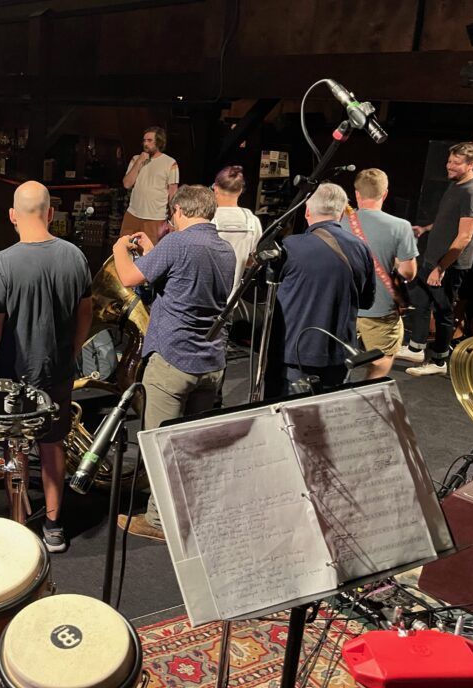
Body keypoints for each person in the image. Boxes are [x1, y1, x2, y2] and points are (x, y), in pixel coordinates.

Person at [111, 185, 235, 541]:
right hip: (210, 363)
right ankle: (188, 513)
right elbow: (181, 283)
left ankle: (158, 521)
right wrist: (153, 252)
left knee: (159, 444)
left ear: (179, 210)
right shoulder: (224, 249)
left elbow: (129, 278)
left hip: (173, 360)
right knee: (190, 445)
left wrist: (121, 249)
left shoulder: (179, 243)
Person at [0, 181, 92, 553]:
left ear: (12, 215)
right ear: (51, 214)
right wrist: (70, 352)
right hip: (57, 372)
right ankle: (54, 525)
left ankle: (18, 523)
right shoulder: (75, 256)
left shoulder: (1, 263)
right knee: (53, 445)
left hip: (12, 376)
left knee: (15, 445)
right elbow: (85, 312)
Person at [270, 182, 375, 395]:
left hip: (296, 352)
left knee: (291, 419)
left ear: (307, 210)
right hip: (340, 352)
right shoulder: (361, 247)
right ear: (342, 212)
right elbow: (366, 301)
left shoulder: (291, 247)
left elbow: (269, 293)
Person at [398, 142, 473, 376]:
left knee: (443, 310)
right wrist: (426, 229)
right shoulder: (456, 185)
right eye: (449, 161)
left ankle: (439, 361)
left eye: (455, 163)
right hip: (433, 257)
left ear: (471, 165)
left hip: (449, 265)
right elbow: (447, 220)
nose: (449, 166)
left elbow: (465, 236)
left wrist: (441, 268)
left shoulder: (471, 192)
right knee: (420, 300)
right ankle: (416, 348)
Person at [341, 168, 418, 379]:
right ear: (385, 193)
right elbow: (408, 273)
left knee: (336, 358)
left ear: (357, 193)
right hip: (379, 308)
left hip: (343, 305)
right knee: (382, 358)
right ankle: (365, 402)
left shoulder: (338, 222)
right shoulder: (401, 226)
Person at [211, 165, 262, 297]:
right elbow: (253, 262)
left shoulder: (205, 218)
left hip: (201, 298)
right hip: (230, 301)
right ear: (240, 190)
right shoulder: (252, 221)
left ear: (215, 188)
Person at [120, 126, 179, 240]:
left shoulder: (170, 163)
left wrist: (173, 219)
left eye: (149, 140)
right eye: (144, 140)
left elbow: (173, 192)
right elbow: (127, 184)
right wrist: (139, 161)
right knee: (124, 248)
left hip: (155, 217)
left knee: (150, 252)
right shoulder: (136, 159)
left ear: (159, 142)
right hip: (133, 214)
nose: (145, 143)